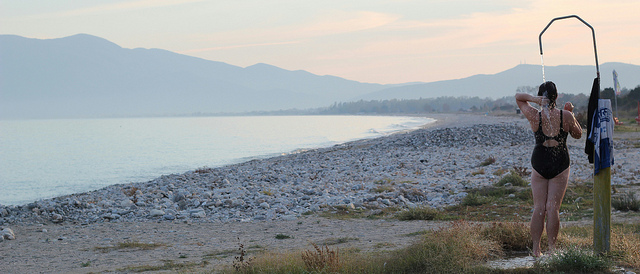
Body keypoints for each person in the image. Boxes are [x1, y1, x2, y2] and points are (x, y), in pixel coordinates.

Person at [515, 81, 582, 257]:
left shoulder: (534, 115)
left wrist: (533, 100)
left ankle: (536, 249)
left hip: (539, 161)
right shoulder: (565, 115)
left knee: (539, 207)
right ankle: (551, 250)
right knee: (552, 208)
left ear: (540, 97)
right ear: (557, 97)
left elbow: (518, 98)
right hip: (559, 162)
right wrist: (571, 115)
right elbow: (578, 134)